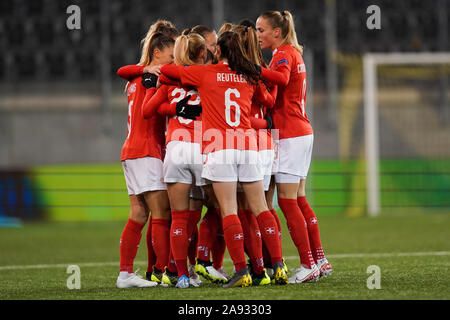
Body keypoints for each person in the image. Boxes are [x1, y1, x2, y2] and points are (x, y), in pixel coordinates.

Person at [160, 30, 288, 288]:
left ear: (217, 51)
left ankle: (242, 271)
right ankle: (278, 266)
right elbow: (269, 95)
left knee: (229, 211)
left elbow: (168, 72)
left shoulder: (205, 73)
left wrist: (180, 65)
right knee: (260, 208)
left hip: (220, 147)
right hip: (248, 145)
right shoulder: (248, 76)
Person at [256, 10, 332, 283]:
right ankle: (319, 259)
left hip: (289, 134)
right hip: (300, 131)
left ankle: (307, 263)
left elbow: (283, 79)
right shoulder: (293, 52)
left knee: (287, 202)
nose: (258, 35)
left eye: (261, 29)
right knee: (298, 198)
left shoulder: (283, 54)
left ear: (277, 32)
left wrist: (255, 70)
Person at [116, 21, 179, 282]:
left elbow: (123, 70)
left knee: (139, 213)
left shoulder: (137, 77)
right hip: (146, 151)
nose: (175, 61)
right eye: (171, 56)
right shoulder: (151, 77)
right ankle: (164, 273)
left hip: (131, 151)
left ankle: (126, 273)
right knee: (162, 213)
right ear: (157, 53)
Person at [142, 32, 206, 288]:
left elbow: (148, 110)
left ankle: (180, 275)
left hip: (176, 149)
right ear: (202, 53)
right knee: (215, 211)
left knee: (178, 218)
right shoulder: (207, 77)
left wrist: (173, 105)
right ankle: (208, 264)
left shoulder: (168, 80)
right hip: (203, 148)